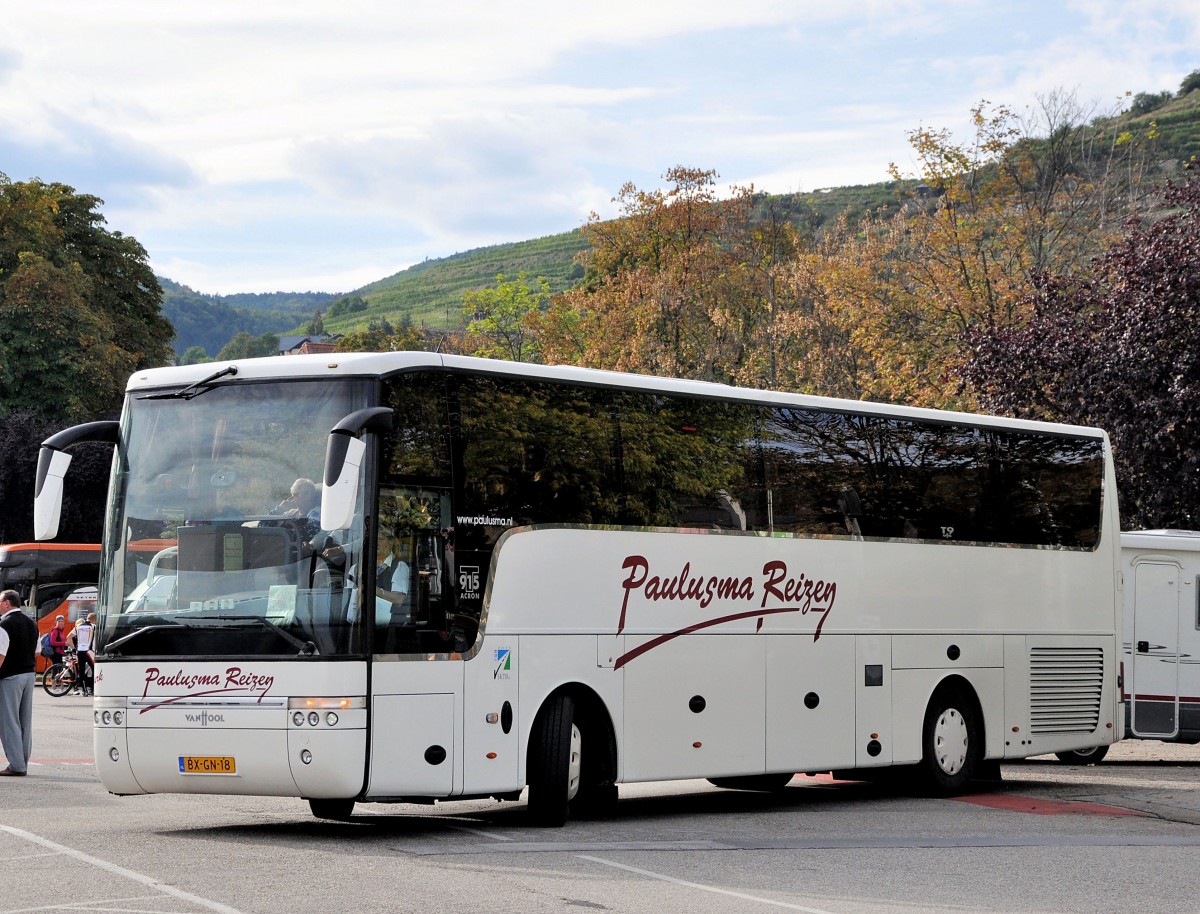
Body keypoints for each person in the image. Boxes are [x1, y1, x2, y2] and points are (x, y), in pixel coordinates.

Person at [0, 589, 37, 776]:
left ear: (7, 603)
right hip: (29, 675)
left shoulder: (4, 624)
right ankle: (23, 761)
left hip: (10, 677)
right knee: (25, 722)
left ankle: (16, 765)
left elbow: (0, 655)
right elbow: (36, 651)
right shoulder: (32, 624)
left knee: (9, 721)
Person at [374, 531, 411, 626]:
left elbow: (399, 599)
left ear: (390, 543)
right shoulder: (360, 566)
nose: (377, 542)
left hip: (390, 626)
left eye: (381, 539)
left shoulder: (399, 566)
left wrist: (376, 591)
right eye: (375, 539)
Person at [67, 612, 97, 695]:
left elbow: (68, 638)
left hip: (79, 651)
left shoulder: (78, 627)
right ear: (94, 620)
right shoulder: (93, 627)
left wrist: (74, 649)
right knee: (95, 669)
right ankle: (93, 688)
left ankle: (84, 691)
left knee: (81, 670)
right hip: (89, 651)